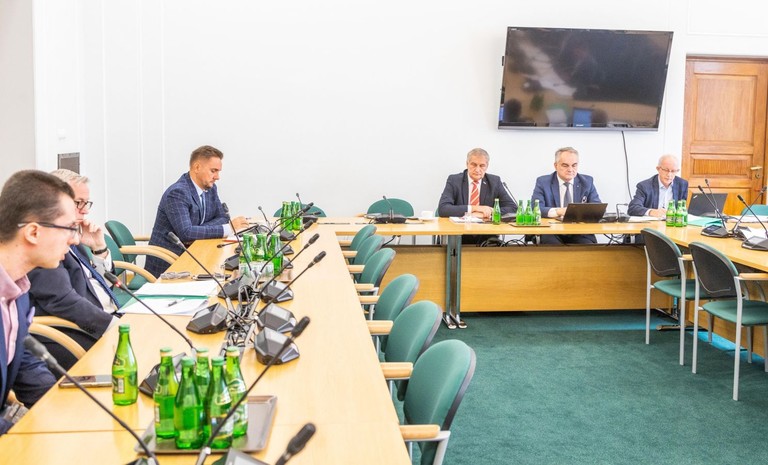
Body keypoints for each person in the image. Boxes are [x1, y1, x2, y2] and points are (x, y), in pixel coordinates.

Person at [0, 170, 74, 434]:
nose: (75, 239)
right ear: (33, 232)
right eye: (69, 228)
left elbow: (22, 356)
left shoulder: (17, 286)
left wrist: (59, 409)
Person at [27, 170, 119, 346]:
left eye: (86, 203)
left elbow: (104, 286)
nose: (85, 211)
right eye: (78, 203)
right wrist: (115, 326)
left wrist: (99, 249)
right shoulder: (45, 243)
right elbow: (62, 301)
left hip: (105, 316)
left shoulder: (74, 236)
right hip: (75, 334)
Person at [146, 145, 248, 277]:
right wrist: (228, 229)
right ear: (197, 167)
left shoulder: (210, 188)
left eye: (218, 171)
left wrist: (197, 231)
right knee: (222, 275)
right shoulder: (177, 193)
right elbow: (186, 233)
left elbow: (222, 217)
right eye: (213, 171)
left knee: (227, 271)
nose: (217, 177)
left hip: (196, 253)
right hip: (170, 264)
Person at [437, 148, 517, 245]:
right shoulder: (454, 180)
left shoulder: (494, 182)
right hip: (459, 236)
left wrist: (488, 212)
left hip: (487, 237)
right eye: (474, 165)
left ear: (487, 166)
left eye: (482, 166)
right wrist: (475, 208)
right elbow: (443, 209)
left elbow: (513, 208)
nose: (477, 169)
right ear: (467, 164)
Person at [531, 146, 601, 244]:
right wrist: (559, 211)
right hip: (551, 231)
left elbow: (597, 208)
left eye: (574, 165)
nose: (570, 169)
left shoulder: (587, 182)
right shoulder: (543, 182)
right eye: (565, 165)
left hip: (579, 232)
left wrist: (577, 212)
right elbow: (535, 208)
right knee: (552, 246)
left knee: (587, 248)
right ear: (556, 166)